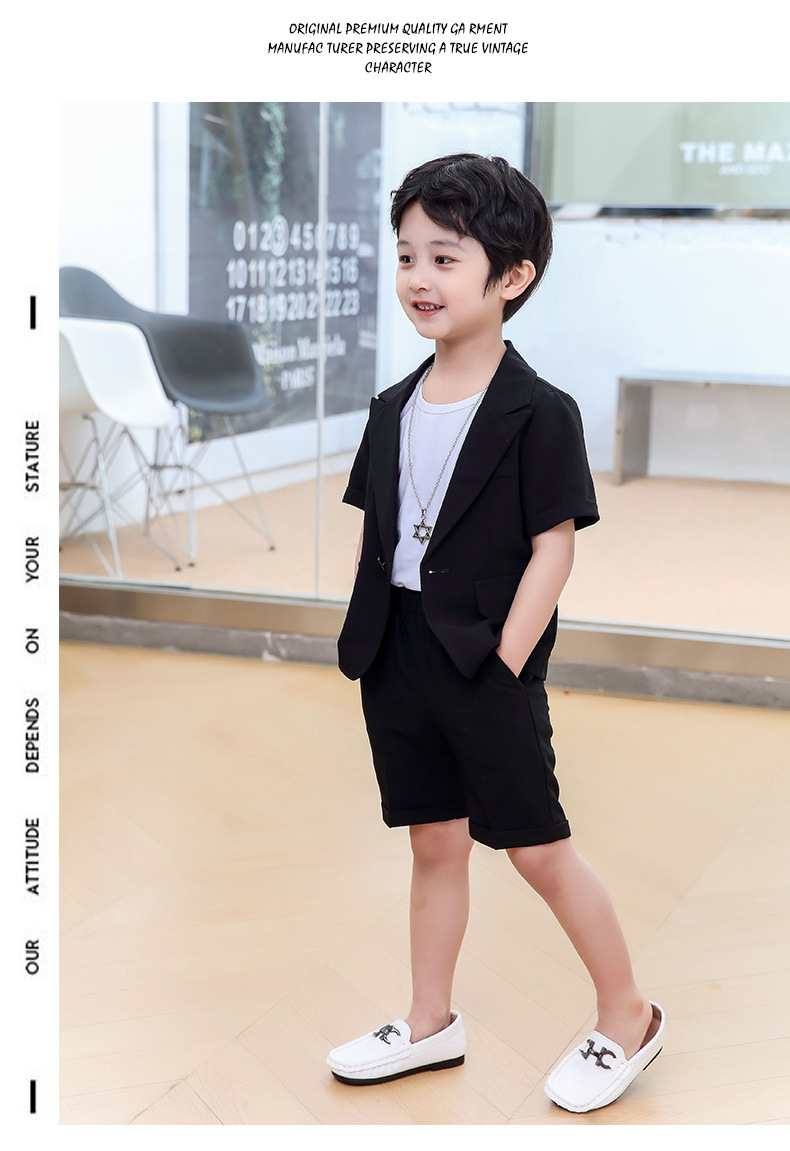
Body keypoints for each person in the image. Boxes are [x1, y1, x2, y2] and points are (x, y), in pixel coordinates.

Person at [327, 153, 664, 1114]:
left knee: (537, 848)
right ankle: (429, 1020)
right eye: (406, 257)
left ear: (512, 276)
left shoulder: (539, 413)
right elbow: (385, 533)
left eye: (445, 258)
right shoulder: (392, 407)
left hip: (484, 660)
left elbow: (554, 549)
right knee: (433, 842)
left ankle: (629, 1014)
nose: (418, 279)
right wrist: (378, 643)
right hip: (396, 654)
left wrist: (506, 660)